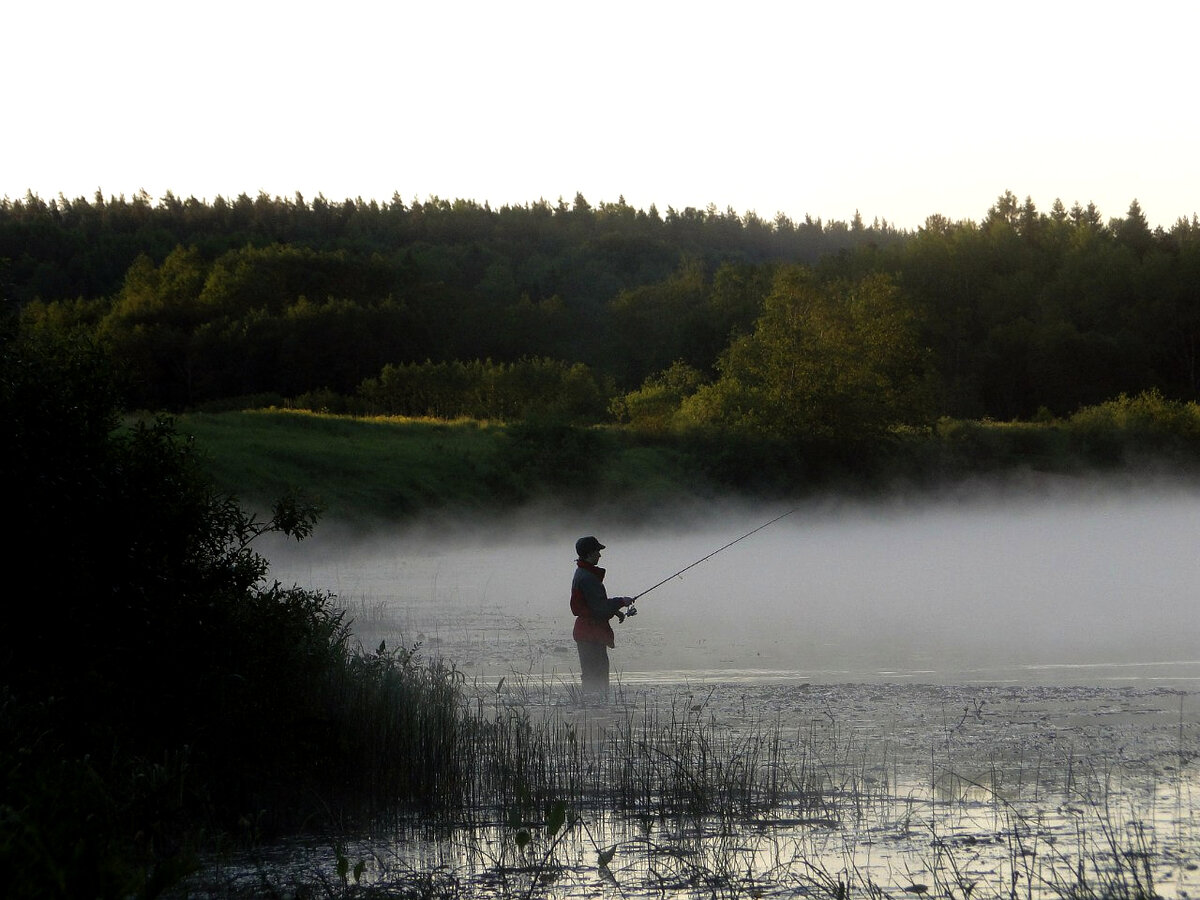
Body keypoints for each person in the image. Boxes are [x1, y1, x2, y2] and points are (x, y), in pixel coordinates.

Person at [570, 535, 634, 701]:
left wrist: (615, 611)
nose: (600, 555)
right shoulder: (588, 577)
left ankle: (592, 708)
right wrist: (621, 601)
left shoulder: (583, 573)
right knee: (597, 677)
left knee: (593, 675)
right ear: (589, 553)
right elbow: (598, 608)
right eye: (598, 551)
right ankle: (595, 711)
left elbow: (592, 605)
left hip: (587, 633)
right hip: (590, 634)